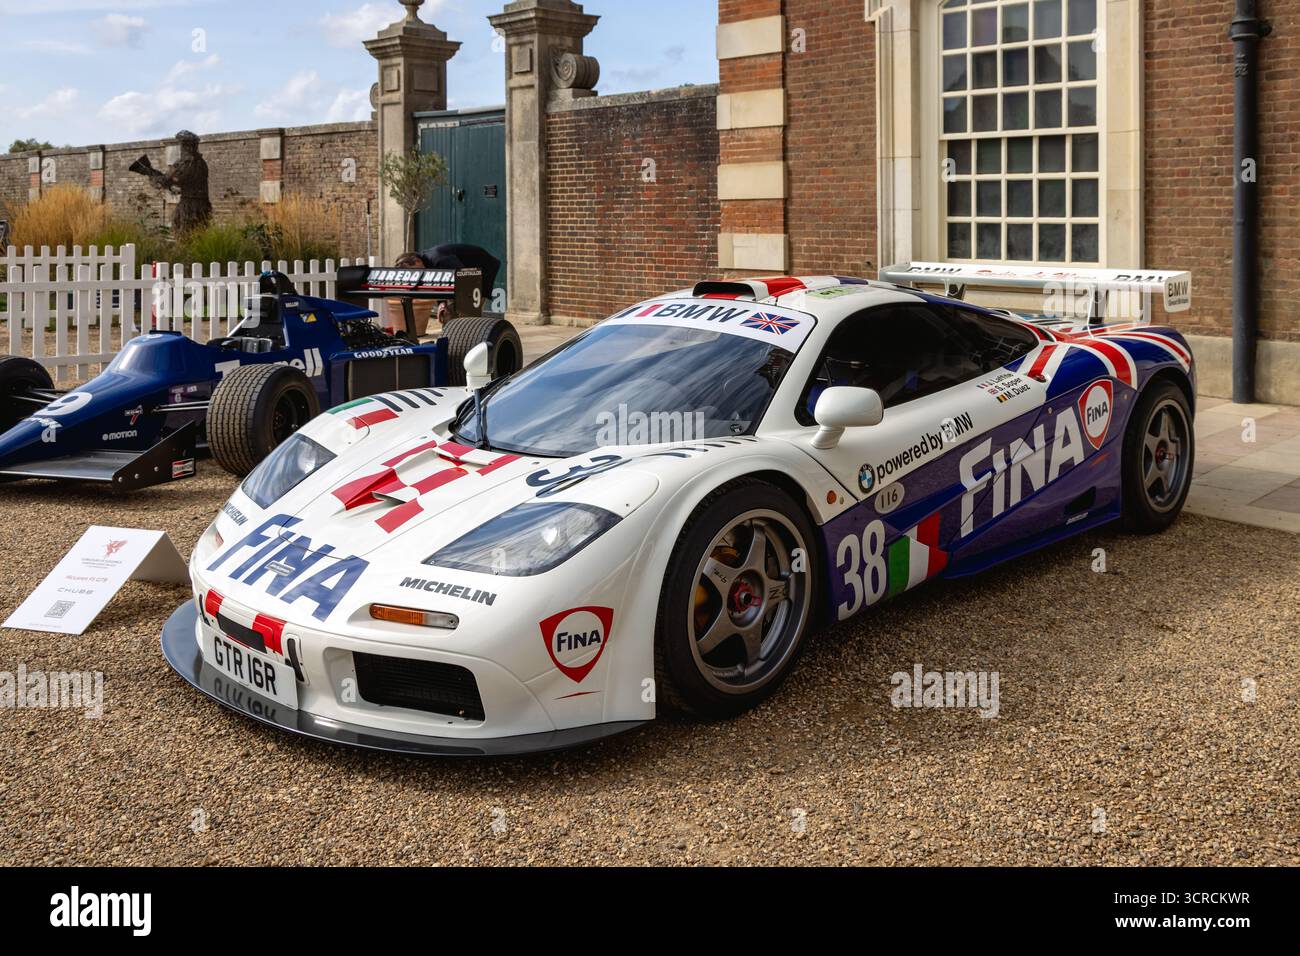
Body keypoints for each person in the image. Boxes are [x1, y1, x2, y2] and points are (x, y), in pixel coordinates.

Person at [395, 243, 500, 326]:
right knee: (451, 312)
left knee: (466, 316)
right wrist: (442, 303)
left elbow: (464, 276)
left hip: (483, 269)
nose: (415, 277)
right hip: (467, 274)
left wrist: (452, 305)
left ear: (417, 261)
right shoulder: (427, 263)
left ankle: (464, 340)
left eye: (413, 273)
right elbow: (440, 285)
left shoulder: (438, 259)